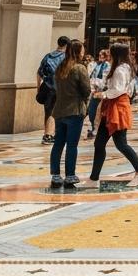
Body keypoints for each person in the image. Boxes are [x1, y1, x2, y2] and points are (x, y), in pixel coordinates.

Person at [89, 42, 138, 188]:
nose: (108, 55)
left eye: (110, 52)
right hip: (112, 107)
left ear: (116, 54)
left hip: (118, 107)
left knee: (121, 144)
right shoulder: (119, 68)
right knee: (99, 143)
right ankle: (93, 178)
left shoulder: (121, 69)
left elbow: (118, 89)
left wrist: (101, 95)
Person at [49, 39, 91, 190]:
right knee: (72, 145)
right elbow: (87, 90)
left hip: (59, 110)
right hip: (75, 110)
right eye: (82, 49)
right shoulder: (79, 68)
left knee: (58, 143)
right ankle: (70, 176)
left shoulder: (60, 67)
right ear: (78, 51)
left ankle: (55, 175)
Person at [37, 36, 68, 145]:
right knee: (54, 112)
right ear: (67, 46)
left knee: (48, 111)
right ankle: (48, 135)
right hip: (58, 88)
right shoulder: (65, 57)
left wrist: (38, 88)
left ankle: (47, 133)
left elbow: (39, 73)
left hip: (47, 86)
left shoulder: (48, 56)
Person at [87, 49, 111, 140]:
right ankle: (94, 128)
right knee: (92, 111)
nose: (101, 57)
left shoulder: (108, 66)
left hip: (102, 92)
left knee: (99, 112)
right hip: (94, 92)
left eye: (103, 55)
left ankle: (97, 130)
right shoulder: (95, 65)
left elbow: (105, 79)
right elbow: (91, 77)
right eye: (100, 55)